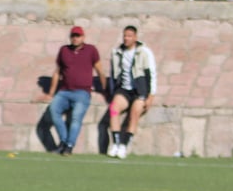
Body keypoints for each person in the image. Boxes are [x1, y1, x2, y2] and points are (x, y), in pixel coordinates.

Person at [40, 26, 107, 155]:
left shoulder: (91, 50)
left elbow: (100, 70)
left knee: (76, 118)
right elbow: (57, 73)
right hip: (65, 91)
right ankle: (64, 142)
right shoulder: (64, 50)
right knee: (54, 110)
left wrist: (105, 90)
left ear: (83, 37)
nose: (75, 38)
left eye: (78, 36)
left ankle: (69, 145)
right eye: (73, 36)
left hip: (82, 92)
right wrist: (50, 93)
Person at [107, 25, 156, 159]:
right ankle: (116, 143)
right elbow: (113, 73)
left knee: (134, 115)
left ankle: (124, 145)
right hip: (124, 89)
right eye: (125, 36)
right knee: (113, 109)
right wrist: (113, 90)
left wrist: (151, 95)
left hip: (140, 89)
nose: (126, 38)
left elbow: (151, 73)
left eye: (129, 36)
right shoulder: (117, 52)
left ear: (135, 37)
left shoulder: (144, 52)